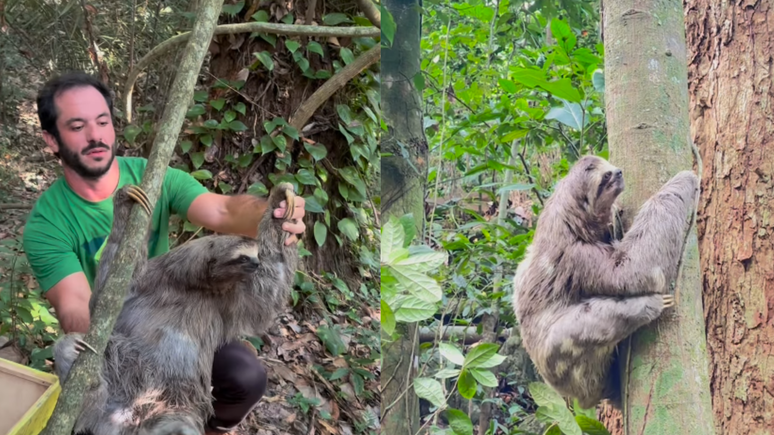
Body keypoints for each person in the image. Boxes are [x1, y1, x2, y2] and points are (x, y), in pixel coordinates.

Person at [21, 71, 306, 434]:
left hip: (180, 336)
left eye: (103, 121)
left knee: (244, 375)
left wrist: (275, 216)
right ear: (52, 139)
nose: (95, 135)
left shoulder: (152, 177)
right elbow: (78, 309)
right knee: (69, 351)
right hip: (117, 338)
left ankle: (207, 427)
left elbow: (224, 212)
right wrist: (134, 356)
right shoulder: (48, 223)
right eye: (77, 126)